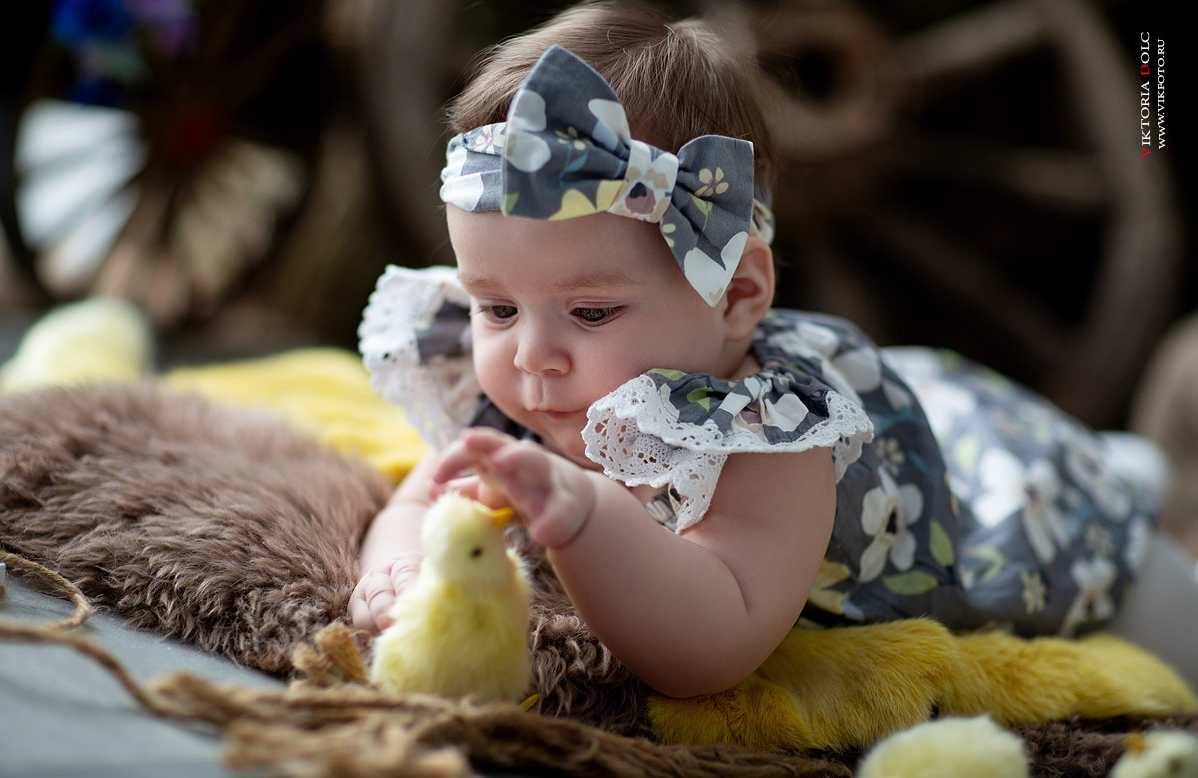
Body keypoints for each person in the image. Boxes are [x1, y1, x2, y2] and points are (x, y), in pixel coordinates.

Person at [351, 1, 1198, 695]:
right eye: (497, 307)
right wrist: (397, 568)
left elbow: (711, 642)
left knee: (1166, 619)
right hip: (922, 406)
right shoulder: (532, 386)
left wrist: (585, 514)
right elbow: (426, 495)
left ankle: (1124, 477)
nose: (532, 356)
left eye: (593, 312)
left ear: (737, 296)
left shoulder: (774, 442)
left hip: (1009, 509)